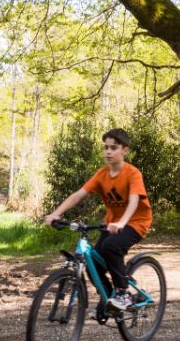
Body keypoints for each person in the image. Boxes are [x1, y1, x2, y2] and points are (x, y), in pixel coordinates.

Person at [44, 128, 152, 311]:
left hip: (136, 222)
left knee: (112, 247)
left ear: (124, 151)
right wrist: (56, 213)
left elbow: (134, 201)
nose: (108, 151)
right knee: (93, 266)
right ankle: (110, 300)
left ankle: (123, 293)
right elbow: (78, 195)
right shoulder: (102, 175)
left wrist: (122, 223)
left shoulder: (133, 174)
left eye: (114, 148)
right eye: (106, 147)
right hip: (111, 224)